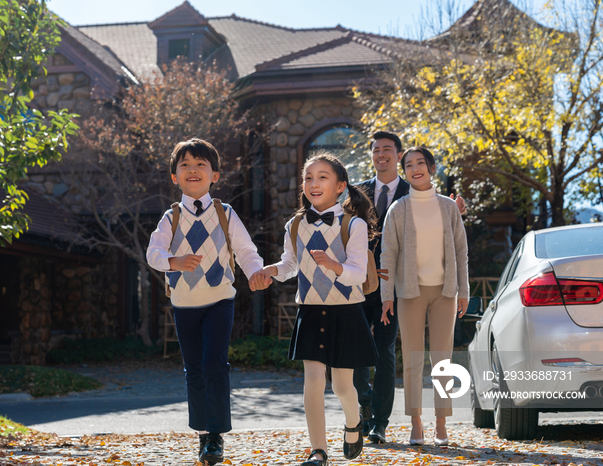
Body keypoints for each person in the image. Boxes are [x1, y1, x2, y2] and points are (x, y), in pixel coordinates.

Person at [250, 152, 377, 466]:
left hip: (346, 311)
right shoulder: (295, 225)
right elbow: (290, 265)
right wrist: (271, 271)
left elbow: (358, 274)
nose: (313, 183)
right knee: (313, 380)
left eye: (322, 177)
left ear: (340, 186)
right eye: (308, 177)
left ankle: (353, 423)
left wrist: (334, 266)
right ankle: (317, 451)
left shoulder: (354, 224)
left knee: (343, 386)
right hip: (310, 309)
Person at [146, 138, 264, 465]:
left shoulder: (225, 214)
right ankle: (201, 432)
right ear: (174, 177)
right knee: (193, 369)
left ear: (215, 175)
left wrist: (256, 272)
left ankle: (216, 436)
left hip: (219, 301)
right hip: (184, 304)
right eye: (185, 165)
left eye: (201, 165)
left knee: (215, 364)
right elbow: (154, 254)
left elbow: (245, 252)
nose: (193, 170)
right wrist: (174, 261)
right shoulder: (171, 218)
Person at [354, 131, 466, 444]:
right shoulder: (363, 194)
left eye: (387, 150)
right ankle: (383, 412)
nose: (381, 155)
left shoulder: (429, 197)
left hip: (419, 288)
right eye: (376, 150)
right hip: (370, 285)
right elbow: (354, 234)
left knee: (406, 356)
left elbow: (453, 243)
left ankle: (391, 422)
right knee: (372, 355)